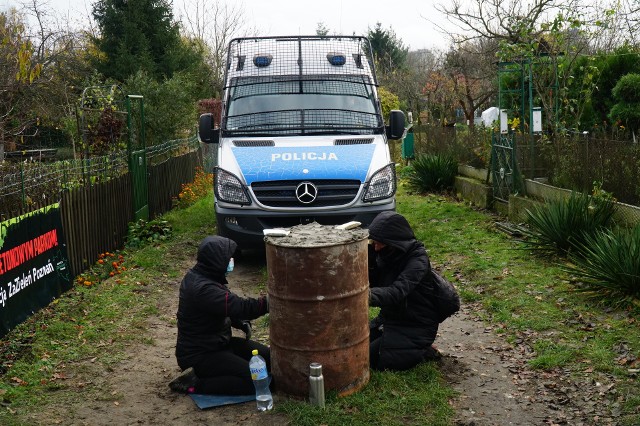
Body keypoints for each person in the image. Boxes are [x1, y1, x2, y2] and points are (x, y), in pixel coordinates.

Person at [169, 235, 270, 395]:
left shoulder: (205, 276)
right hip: (200, 355)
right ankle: (193, 383)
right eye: (228, 257)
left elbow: (224, 307)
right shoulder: (203, 288)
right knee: (254, 381)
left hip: (220, 343)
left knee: (268, 359)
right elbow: (241, 307)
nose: (231, 260)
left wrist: (239, 321)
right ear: (216, 260)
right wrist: (269, 302)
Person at [368, 211, 442, 371]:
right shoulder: (384, 252)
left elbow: (396, 292)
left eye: (380, 243)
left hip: (416, 325)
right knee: (355, 343)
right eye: (374, 242)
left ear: (394, 242)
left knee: (367, 358)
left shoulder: (417, 260)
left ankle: (422, 350)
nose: (375, 246)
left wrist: (364, 296)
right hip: (390, 319)